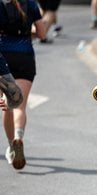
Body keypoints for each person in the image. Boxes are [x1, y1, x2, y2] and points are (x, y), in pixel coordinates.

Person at [0, 0, 47, 170]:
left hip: (4, 58)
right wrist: (28, 32)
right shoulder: (32, 4)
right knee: (20, 105)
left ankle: (12, 145)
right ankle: (19, 136)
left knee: (7, 104)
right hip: (25, 58)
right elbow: (42, 34)